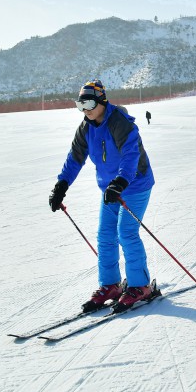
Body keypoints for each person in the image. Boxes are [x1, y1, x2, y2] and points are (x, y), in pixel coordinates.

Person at [48, 80, 157, 312]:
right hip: (110, 188)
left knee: (125, 232)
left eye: (88, 103)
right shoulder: (86, 128)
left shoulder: (120, 123)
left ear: (101, 101)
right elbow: (75, 158)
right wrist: (61, 185)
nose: (84, 110)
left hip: (135, 184)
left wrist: (120, 182)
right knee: (105, 235)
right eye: (80, 104)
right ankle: (111, 285)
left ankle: (140, 286)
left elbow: (130, 155)